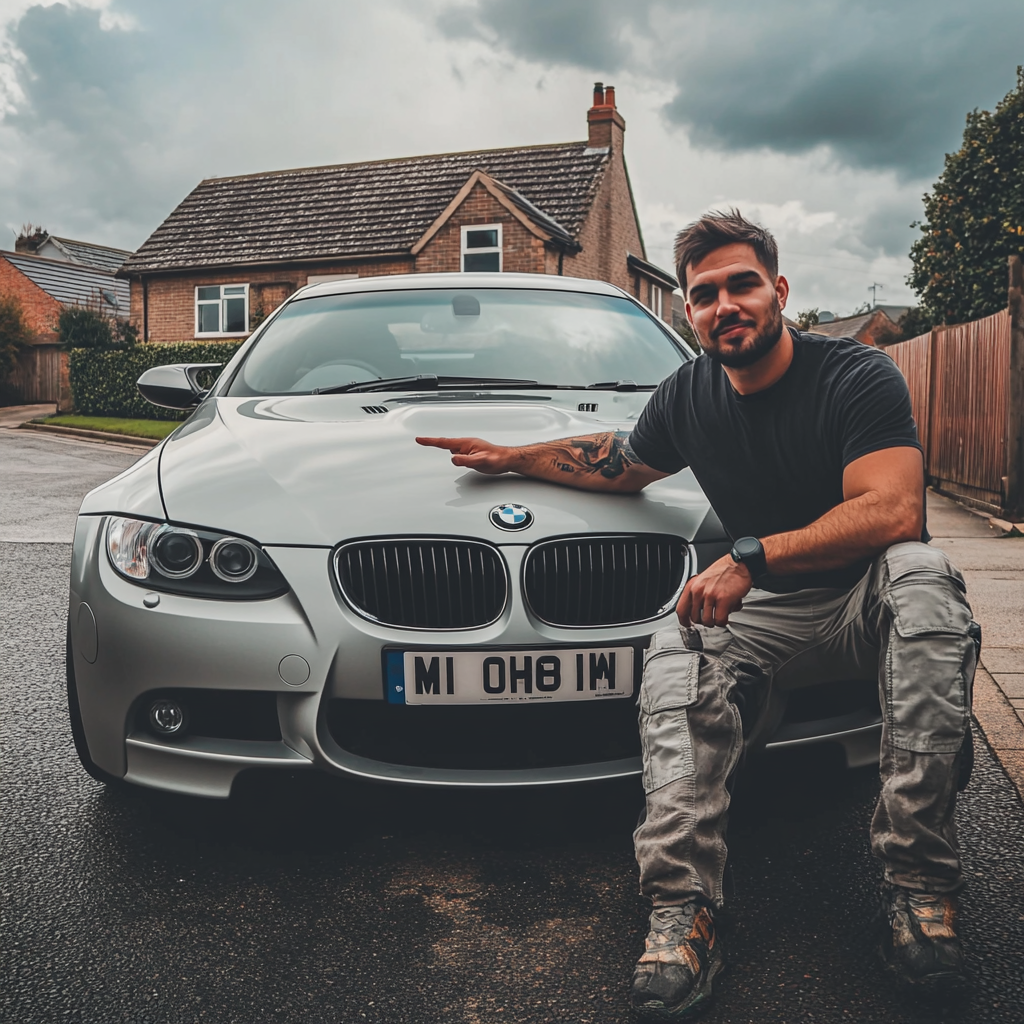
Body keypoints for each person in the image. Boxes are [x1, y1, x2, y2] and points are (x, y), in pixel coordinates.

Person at [416, 210, 977, 1020]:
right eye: (705, 294)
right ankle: (683, 908)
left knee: (925, 577)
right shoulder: (689, 395)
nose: (726, 306)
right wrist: (512, 458)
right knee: (675, 640)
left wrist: (750, 556)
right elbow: (616, 461)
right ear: (689, 312)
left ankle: (921, 893)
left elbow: (891, 511)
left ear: (779, 291)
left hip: (864, 601)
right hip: (769, 620)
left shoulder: (855, 375)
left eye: (742, 284)